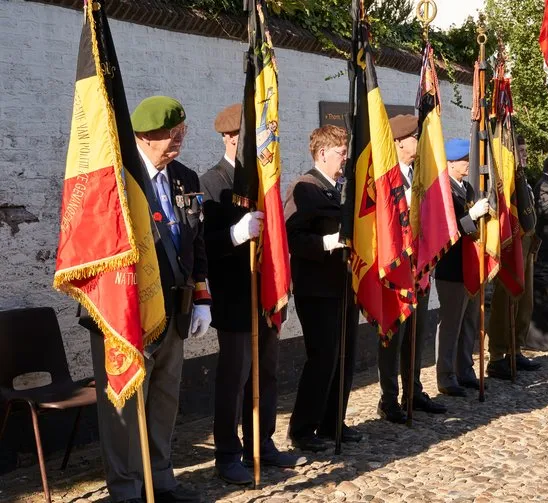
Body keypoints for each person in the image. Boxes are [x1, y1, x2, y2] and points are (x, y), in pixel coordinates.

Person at [87, 96, 210, 503]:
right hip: (123, 312)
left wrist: (203, 297)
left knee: (164, 398)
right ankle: (126, 490)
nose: (176, 141)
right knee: (124, 406)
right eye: (167, 135)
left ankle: (161, 480)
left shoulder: (185, 177)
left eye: (180, 132)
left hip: (174, 307)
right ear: (142, 136)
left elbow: (197, 240)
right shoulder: (117, 178)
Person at [200, 104, 306, 485]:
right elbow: (205, 244)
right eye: (250, 139)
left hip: (266, 291)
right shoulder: (213, 182)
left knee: (268, 373)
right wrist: (235, 235)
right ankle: (227, 453)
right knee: (235, 375)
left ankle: (260, 441)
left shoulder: (266, 181)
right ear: (231, 139)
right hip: (233, 295)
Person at [284, 125, 362, 452]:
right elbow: (293, 238)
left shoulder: (339, 188)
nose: (344, 159)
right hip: (316, 289)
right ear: (322, 154)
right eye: (341, 153)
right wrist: (327, 242)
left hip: (344, 285)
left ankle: (333, 421)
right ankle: (303, 429)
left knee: (345, 356)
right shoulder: (304, 189)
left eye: (345, 152)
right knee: (323, 357)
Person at [376, 114, 446, 424]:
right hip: (396, 271)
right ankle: (388, 398)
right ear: (399, 143)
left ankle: (413, 392)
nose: (418, 142)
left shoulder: (419, 176)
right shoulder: (387, 178)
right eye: (414, 138)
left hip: (419, 269)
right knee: (394, 336)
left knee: (415, 335)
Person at [434, 138, 489, 397]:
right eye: (464, 160)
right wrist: (473, 216)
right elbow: (449, 230)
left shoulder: (465, 188)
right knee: (451, 323)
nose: (469, 164)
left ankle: (464, 369)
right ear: (451, 163)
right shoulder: (443, 191)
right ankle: (445, 376)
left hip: (470, 264)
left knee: (469, 322)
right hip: (451, 266)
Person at [486, 135, 541, 381]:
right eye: (520, 151)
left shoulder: (524, 181)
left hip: (527, 247)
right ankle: (497, 355)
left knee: (524, 302)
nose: (525, 155)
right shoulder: (504, 181)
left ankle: (515, 349)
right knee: (504, 302)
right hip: (511, 248)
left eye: (525, 150)